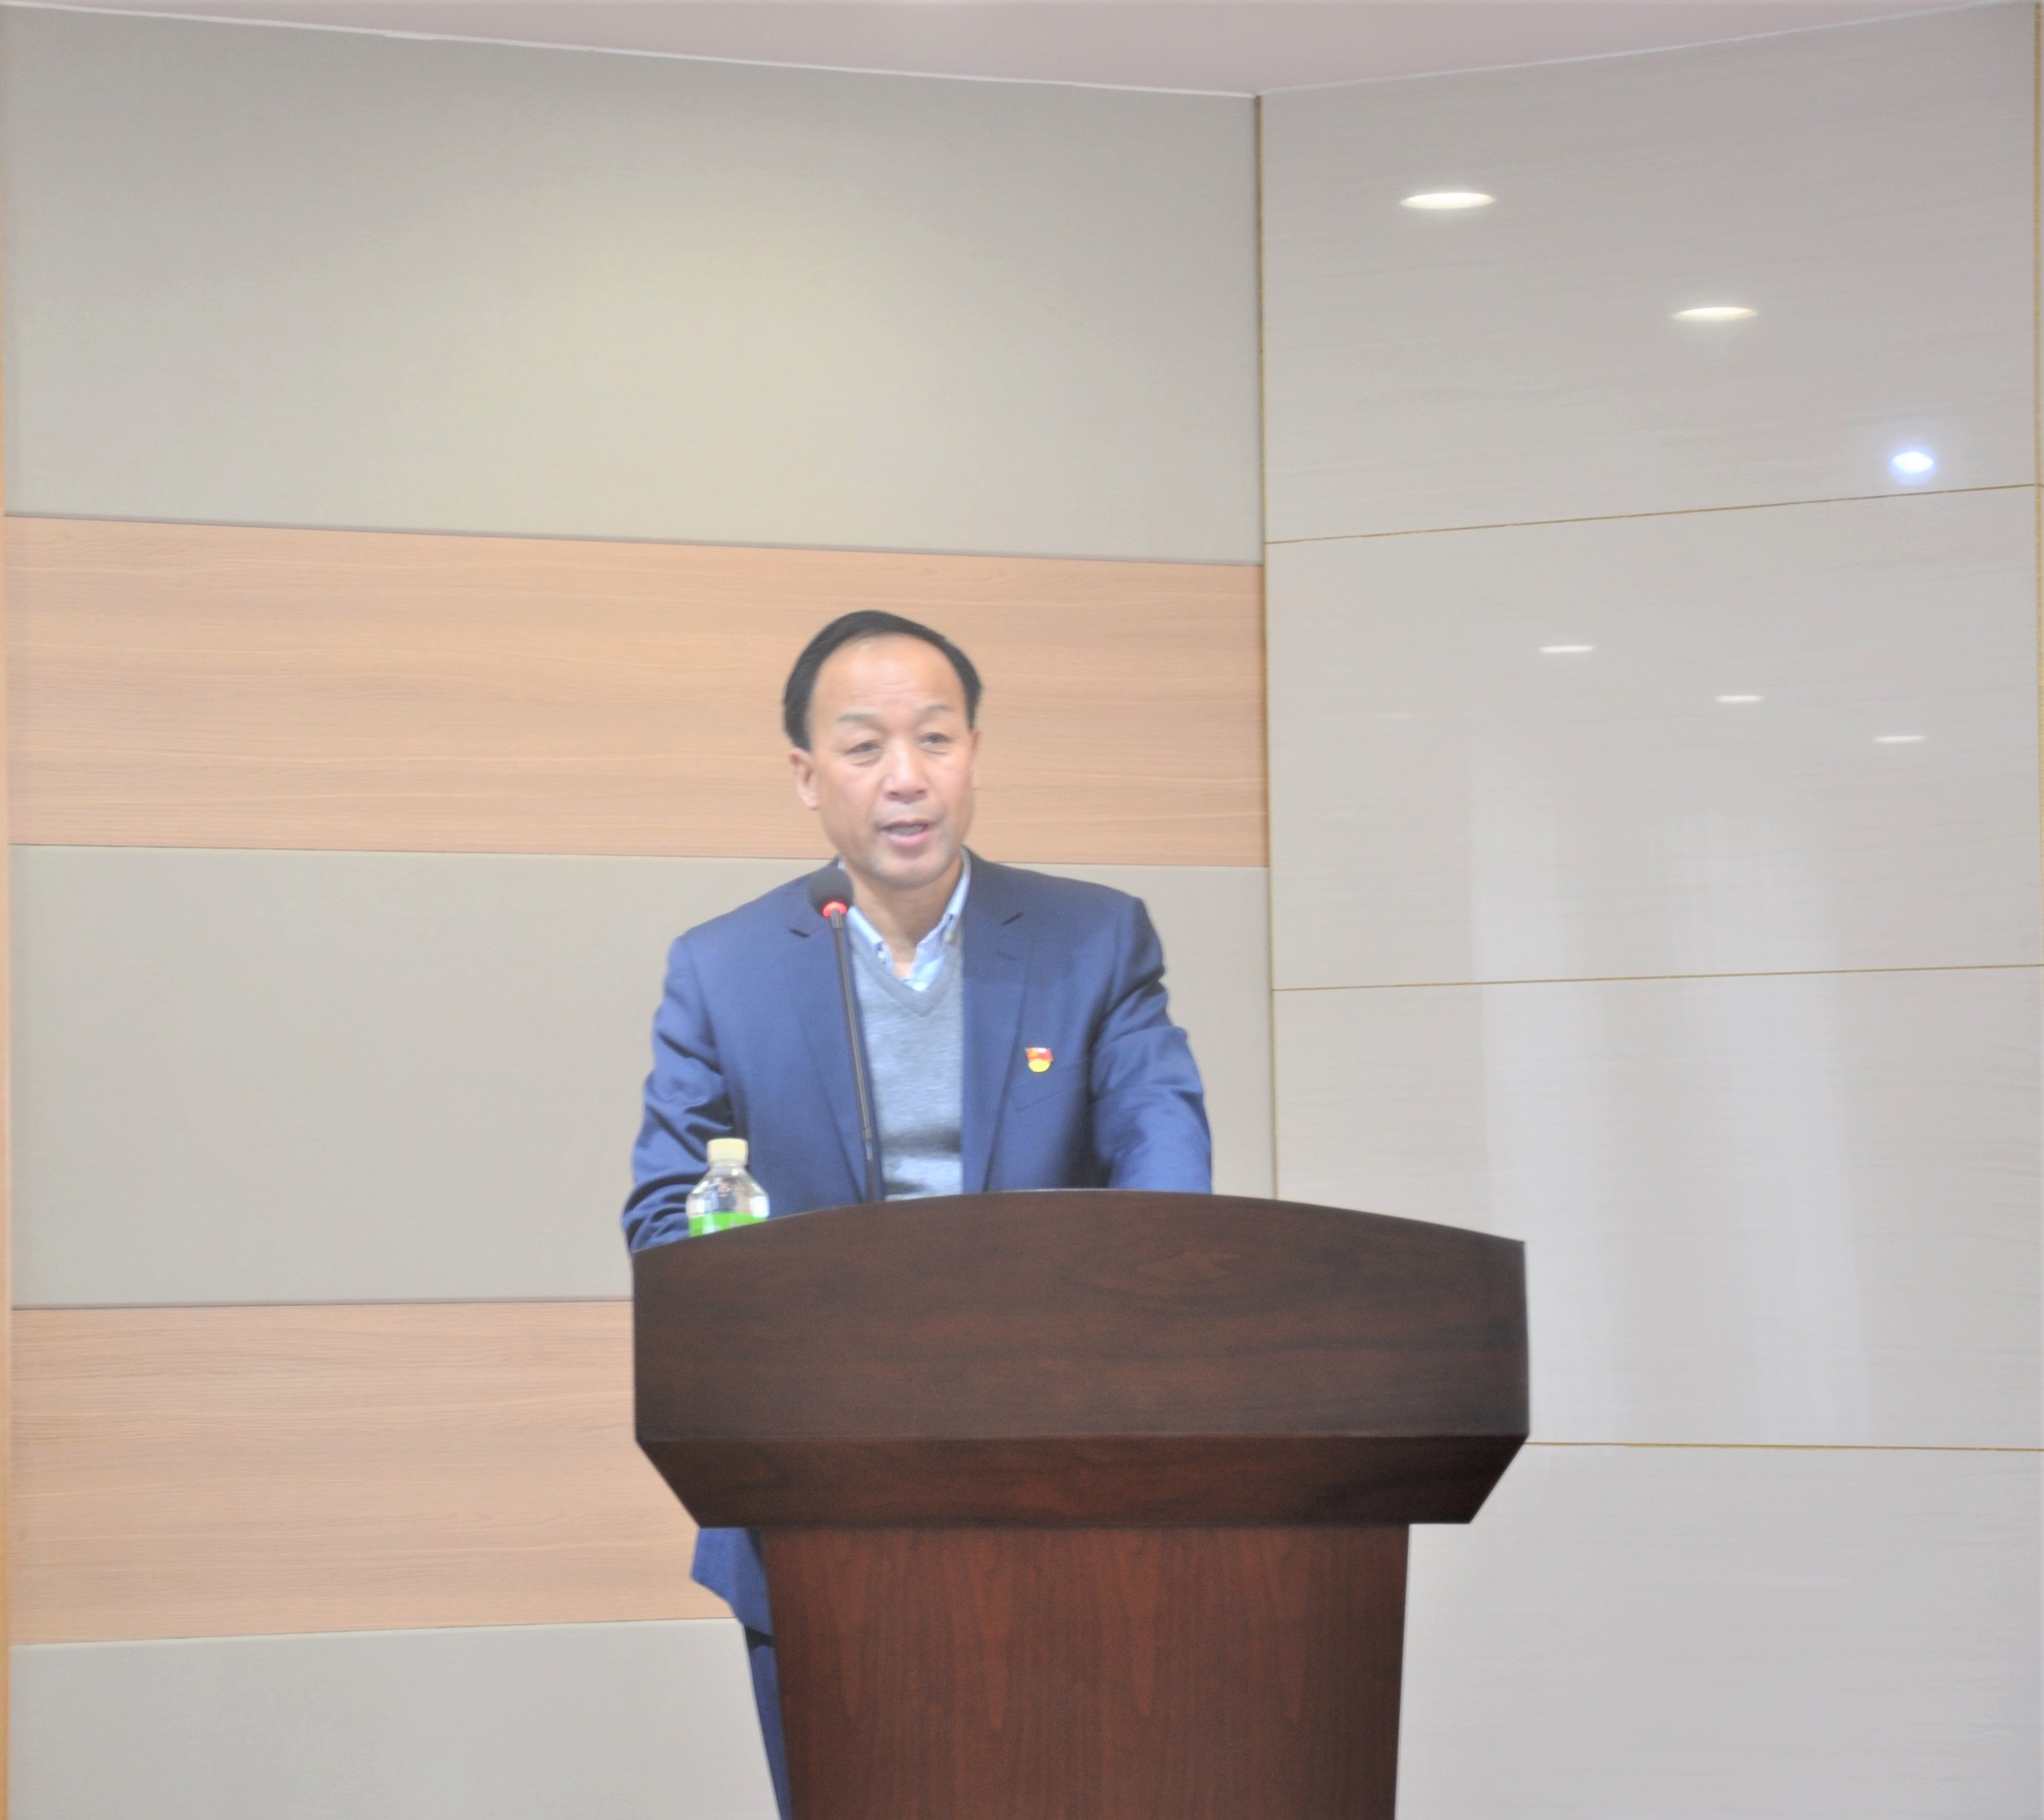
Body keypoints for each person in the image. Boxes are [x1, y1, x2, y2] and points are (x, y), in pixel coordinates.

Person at [623, 609, 1211, 1818]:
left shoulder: (1095, 941)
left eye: (935, 738)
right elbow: (664, 1222)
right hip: (814, 1494)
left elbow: (1166, 1180)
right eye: (865, 746)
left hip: (1053, 1483)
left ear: (974, 753)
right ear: (807, 776)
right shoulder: (724, 969)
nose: (907, 776)